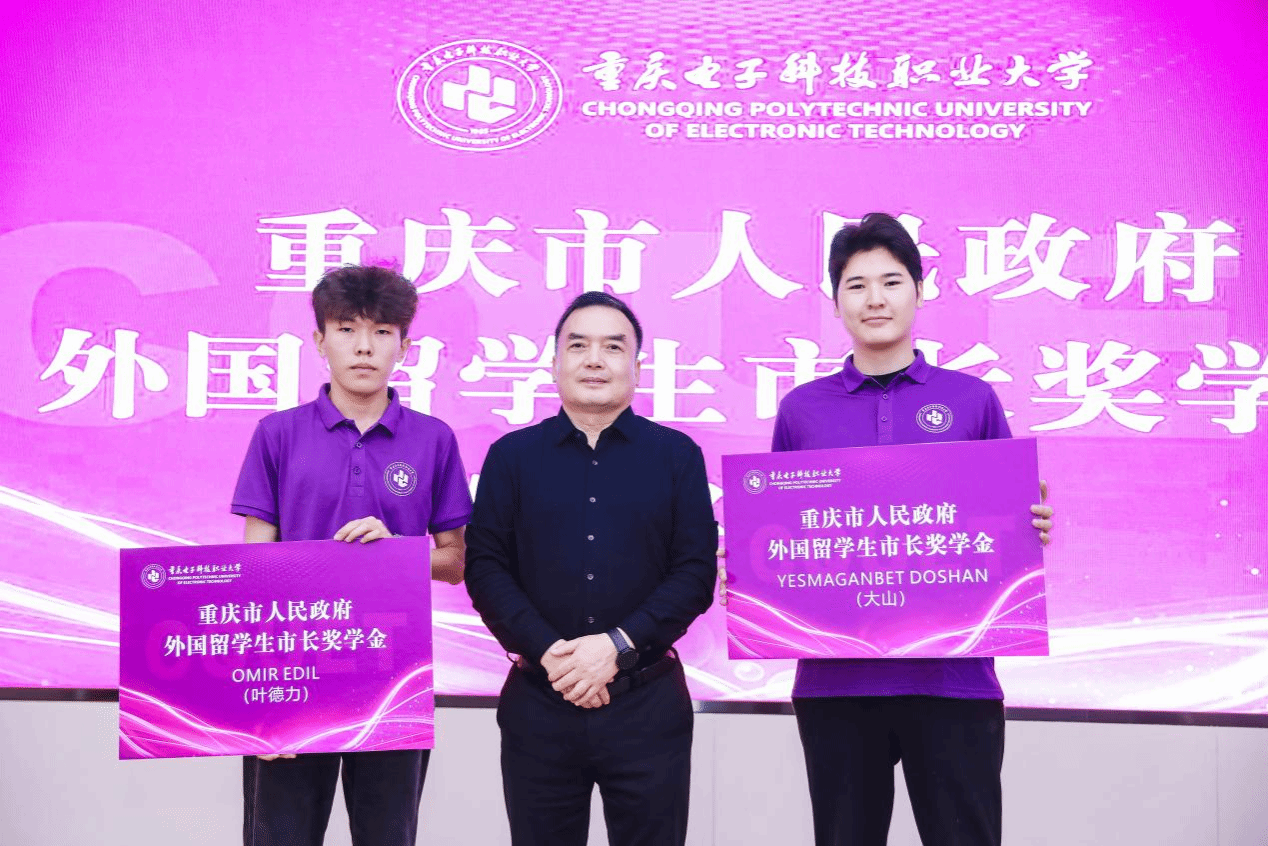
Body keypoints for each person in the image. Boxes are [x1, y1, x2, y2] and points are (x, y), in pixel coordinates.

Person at [736, 213, 1054, 846]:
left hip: (955, 680)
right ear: (835, 303)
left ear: (919, 291)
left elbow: (1000, 525)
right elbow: (779, 533)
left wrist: (1029, 526)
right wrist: (750, 566)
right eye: (856, 286)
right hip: (836, 684)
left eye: (891, 281)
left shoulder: (972, 400)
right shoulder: (802, 410)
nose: (874, 299)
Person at [230, 264, 472, 846]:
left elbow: (456, 562)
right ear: (319, 340)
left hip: (393, 675)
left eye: (382, 331)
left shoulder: (433, 439)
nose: (364, 347)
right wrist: (259, 701)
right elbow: (255, 571)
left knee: (388, 836)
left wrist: (396, 555)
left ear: (404, 346)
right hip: (291, 674)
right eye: (346, 329)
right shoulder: (278, 434)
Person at [465, 291, 717, 846]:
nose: (595, 360)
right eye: (578, 346)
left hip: (647, 706)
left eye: (613, 347)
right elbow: (485, 569)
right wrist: (553, 655)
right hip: (539, 705)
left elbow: (695, 573)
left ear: (637, 366)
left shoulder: (677, 456)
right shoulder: (511, 457)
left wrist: (615, 647)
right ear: (555, 362)